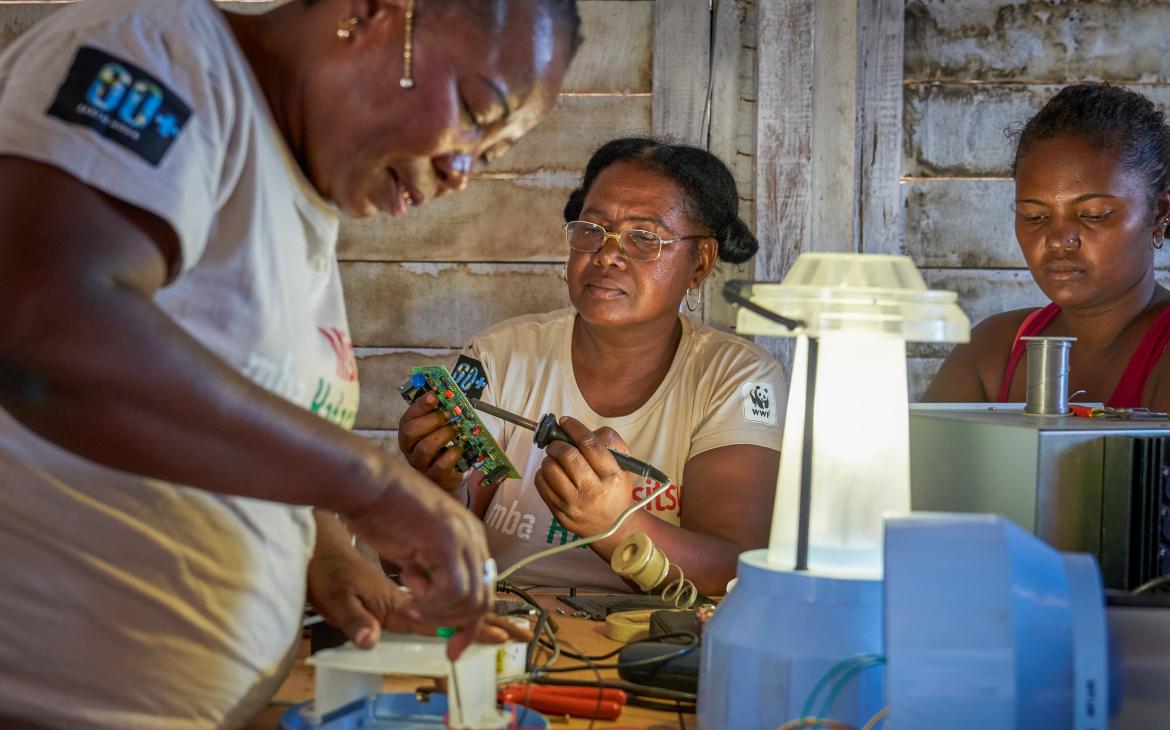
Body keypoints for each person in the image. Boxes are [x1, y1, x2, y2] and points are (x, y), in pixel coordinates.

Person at [0, 0, 579, 727]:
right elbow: (44, 328)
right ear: (371, 13)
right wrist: (371, 489)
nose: (464, 169)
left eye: (492, 152)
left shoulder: (300, 198)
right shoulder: (160, 54)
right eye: (474, 108)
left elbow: (229, 427)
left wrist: (326, 555)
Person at [399, 138, 786, 596]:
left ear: (700, 262)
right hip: (505, 624)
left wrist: (616, 527)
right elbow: (407, 560)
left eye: (643, 237)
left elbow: (735, 571)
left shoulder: (736, 379)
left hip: (650, 646)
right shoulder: (500, 355)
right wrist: (439, 482)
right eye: (592, 230)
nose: (606, 254)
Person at [923, 84, 1170, 411]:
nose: (1057, 239)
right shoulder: (994, 350)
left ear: (1160, 213)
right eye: (1035, 216)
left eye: (1093, 215)